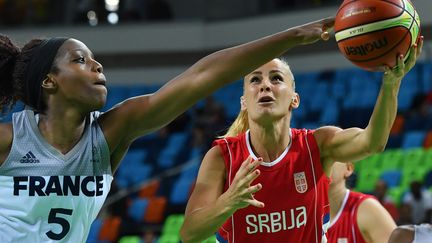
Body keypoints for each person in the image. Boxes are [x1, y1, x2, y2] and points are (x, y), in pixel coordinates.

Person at [0, 18, 333, 242]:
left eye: (93, 59)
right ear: (49, 81)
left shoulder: (112, 132)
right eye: (80, 60)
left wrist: (292, 37)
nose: (97, 65)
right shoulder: (8, 141)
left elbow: (204, 76)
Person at [180, 38, 423, 243]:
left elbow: (373, 142)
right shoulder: (222, 157)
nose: (265, 85)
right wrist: (228, 201)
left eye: (276, 78)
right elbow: (189, 233)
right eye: (255, 80)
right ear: (244, 102)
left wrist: (391, 84)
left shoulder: (317, 144)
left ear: (294, 99)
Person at [327, 162, 396, 243]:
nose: (323, 163)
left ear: (348, 168)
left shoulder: (368, 208)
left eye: (331, 156)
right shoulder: (309, 212)